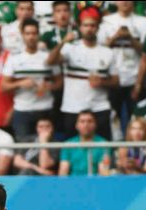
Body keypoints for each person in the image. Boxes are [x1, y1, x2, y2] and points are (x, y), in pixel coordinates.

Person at [48, 9, 120, 141]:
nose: (89, 29)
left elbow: (116, 81)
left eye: (92, 25)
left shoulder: (107, 52)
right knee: (73, 147)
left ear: (98, 28)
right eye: (86, 25)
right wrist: (63, 42)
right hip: (73, 107)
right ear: (80, 28)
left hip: (99, 107)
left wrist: (102, 82)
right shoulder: (70, 48)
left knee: (102, 147)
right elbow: (50, 61)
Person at [1, 18, 62, 139]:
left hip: (46, 109)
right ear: (22, 35)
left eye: (34, 33)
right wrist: (20, 83)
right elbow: (3, 87)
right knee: (24, 149)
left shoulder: (48, 57)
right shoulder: (14, 59)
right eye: (28, 33)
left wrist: (51, 86)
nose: (31, 37)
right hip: (23, 110)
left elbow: (60, 82)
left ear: (39, 35)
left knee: (47, 148)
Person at [99, 1, 146, 127]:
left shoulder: (144, 22)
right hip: (112, 78)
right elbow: (99, 50)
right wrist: (115, 37)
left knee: (136, 120)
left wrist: (131, 39)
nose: (125, 2)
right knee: (111, 119)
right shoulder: (105, 21)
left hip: (135, 78)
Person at [59, 110, 112, 176]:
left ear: (95, 124)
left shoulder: (104, 144)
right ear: (76, 125)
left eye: (89, 121)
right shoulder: (68, 145)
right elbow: (63, 174)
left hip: (95, 183)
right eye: (82, 121)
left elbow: (103, 173)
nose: (86, 125)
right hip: (73, 183)